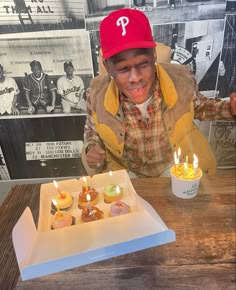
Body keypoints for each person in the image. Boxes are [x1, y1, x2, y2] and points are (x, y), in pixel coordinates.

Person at [82, 8, 236, 178]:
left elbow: (201, 107)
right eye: (123, 68)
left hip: (172, 167)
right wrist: (92, 146)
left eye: (142, 64)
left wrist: (230, 108)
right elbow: (92, 130)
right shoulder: (96, 95)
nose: (135, 78)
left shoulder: (181, 80)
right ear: (107, 66)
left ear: (154, 55)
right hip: (128, 172)